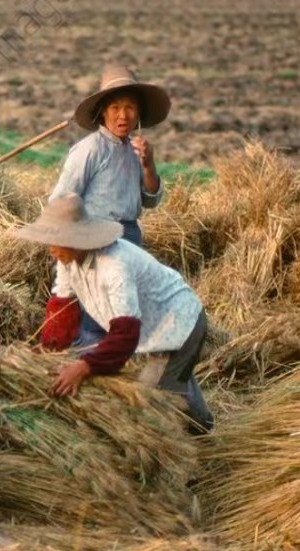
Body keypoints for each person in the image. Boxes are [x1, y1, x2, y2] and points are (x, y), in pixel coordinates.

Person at [20, 193, 213, 434]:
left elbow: (125, 334)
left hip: (181, 325)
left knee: (154, 401)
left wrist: (83, 367)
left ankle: (189, 445)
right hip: (155, 329)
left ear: (76, 239)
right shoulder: (68, 259)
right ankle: (205, 427)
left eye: (55, 241)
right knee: (172, 379)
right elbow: (62, 305)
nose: (51, 249)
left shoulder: (114, 265)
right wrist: (47, 349)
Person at [48, 64, 171, 345]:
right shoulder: (90, 149)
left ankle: (110, 364)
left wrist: (149, 165)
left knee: (123, 310)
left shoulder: (136, 150)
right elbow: (61, 199)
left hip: (129, 238)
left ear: (139, 113)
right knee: (97, 315)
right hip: (97, 238)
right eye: (115, 107)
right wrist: (76, 240)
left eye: (129, 107)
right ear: (103, 111)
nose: (122, 115)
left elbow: (150, 199)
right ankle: (88, 367)